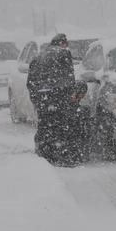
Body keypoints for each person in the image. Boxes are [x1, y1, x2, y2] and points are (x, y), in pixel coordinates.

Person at [27, 33, 86, 166]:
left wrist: (37, 99)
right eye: (65, 44)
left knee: (44, 126)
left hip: (43, 99)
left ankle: (44, 153)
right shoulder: (63, 54)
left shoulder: (38, 57)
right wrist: (70, 96)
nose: (65, 47)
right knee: (66, 126)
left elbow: (30, 83)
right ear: (62, 44)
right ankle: (67, 155)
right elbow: (68, 80)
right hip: (60, 97)